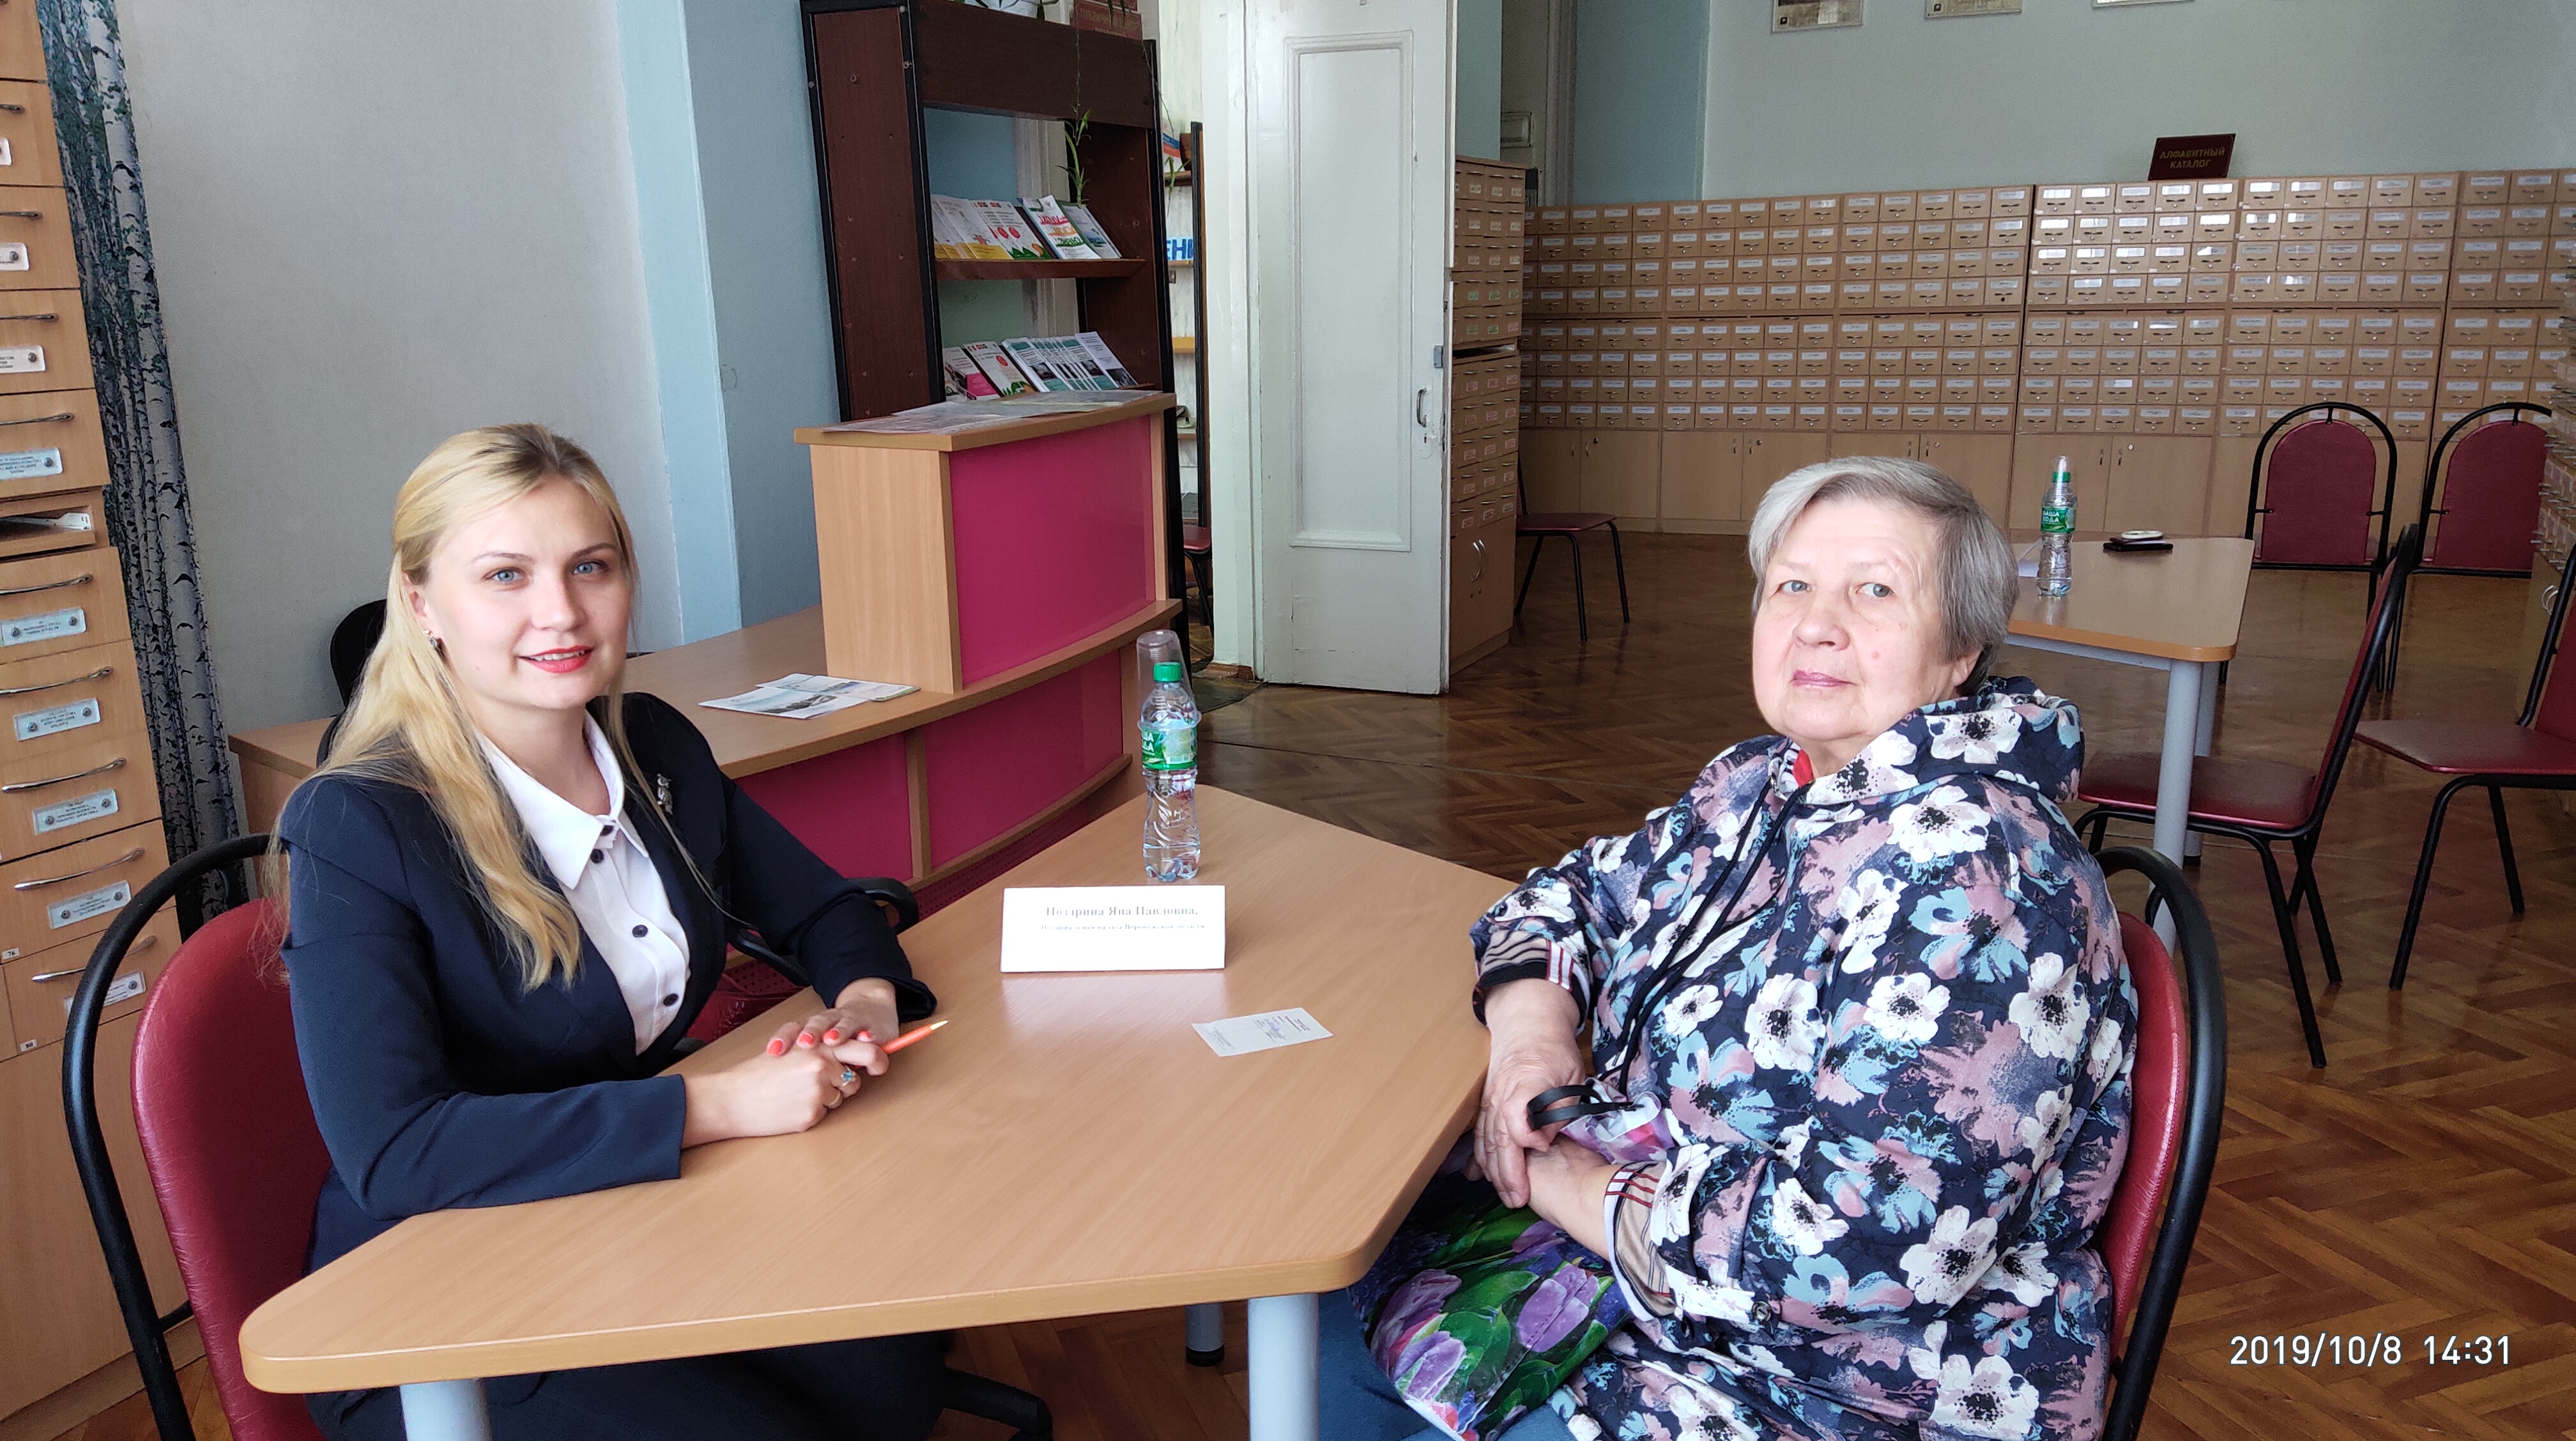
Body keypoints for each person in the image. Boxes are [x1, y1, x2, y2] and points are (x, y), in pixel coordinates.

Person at [1324, 457, 2136, 1441]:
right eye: (1792, 585)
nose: (1817, 624)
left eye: (1875, 592)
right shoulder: (1764, 781)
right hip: (1647, 1284)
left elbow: (1860, 1253)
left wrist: (1566, 1180)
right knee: (1325, 1317)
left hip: (1837, 1387)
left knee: (1344, 1342)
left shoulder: (1984, 879)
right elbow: (1573, 894)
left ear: (1961, 648)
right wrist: (1533, 1033)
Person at [275, 425, 948, 1441]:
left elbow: (825, 907)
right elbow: (396, 1150)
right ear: (421, 606)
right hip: (441, 1283)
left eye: (590, 566)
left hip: (623, 1210)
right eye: (506, 575)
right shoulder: (360, 823)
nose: (561, 612)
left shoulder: (651, 745)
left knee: (892, 1378)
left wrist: (863, 1001)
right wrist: (714, 1104)